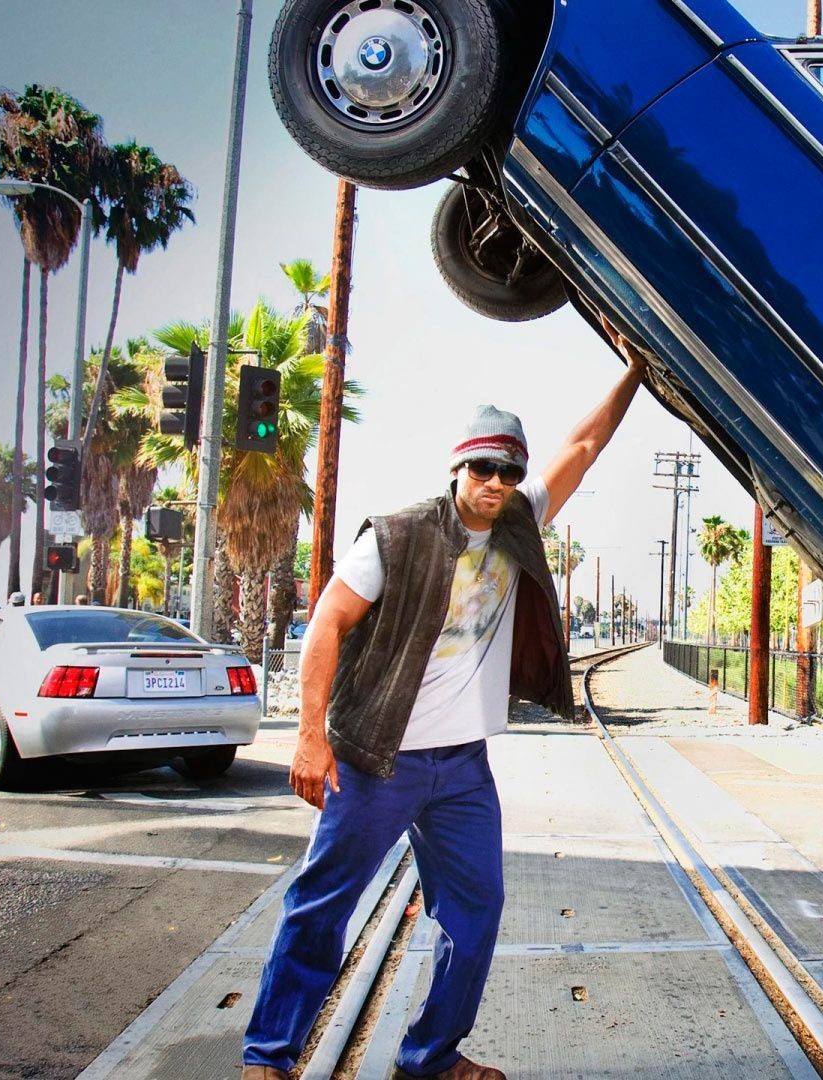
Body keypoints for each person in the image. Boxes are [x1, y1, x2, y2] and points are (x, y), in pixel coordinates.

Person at [241, 336, 648, 1080]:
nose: (497, 482)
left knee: (475, 912)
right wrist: (309, 738)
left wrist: (636, 372)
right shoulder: (394, 538)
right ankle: (268, 1056)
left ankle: (428, 1058)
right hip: (374, 758)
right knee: (322, 906)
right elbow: (326, 624)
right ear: (458, 467)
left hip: (462, 766)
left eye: (509, 470)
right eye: (484, 467)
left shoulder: (520, 520)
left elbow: (584, 444)